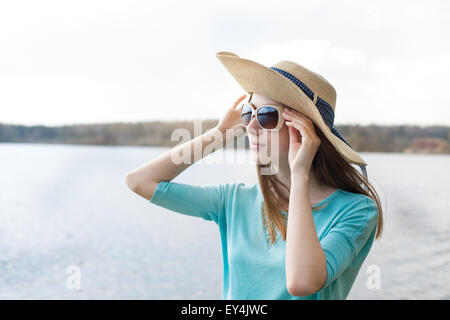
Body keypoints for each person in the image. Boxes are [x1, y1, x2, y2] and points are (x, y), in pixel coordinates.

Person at [125, 51, 384, 300]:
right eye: (248, 114)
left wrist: (300, 175)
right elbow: (139, 181)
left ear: (305, 131)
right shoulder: (235, 200)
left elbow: (301, 282)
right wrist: (220, 134)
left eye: (268, 116)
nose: (251, 126)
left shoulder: (357, 211)